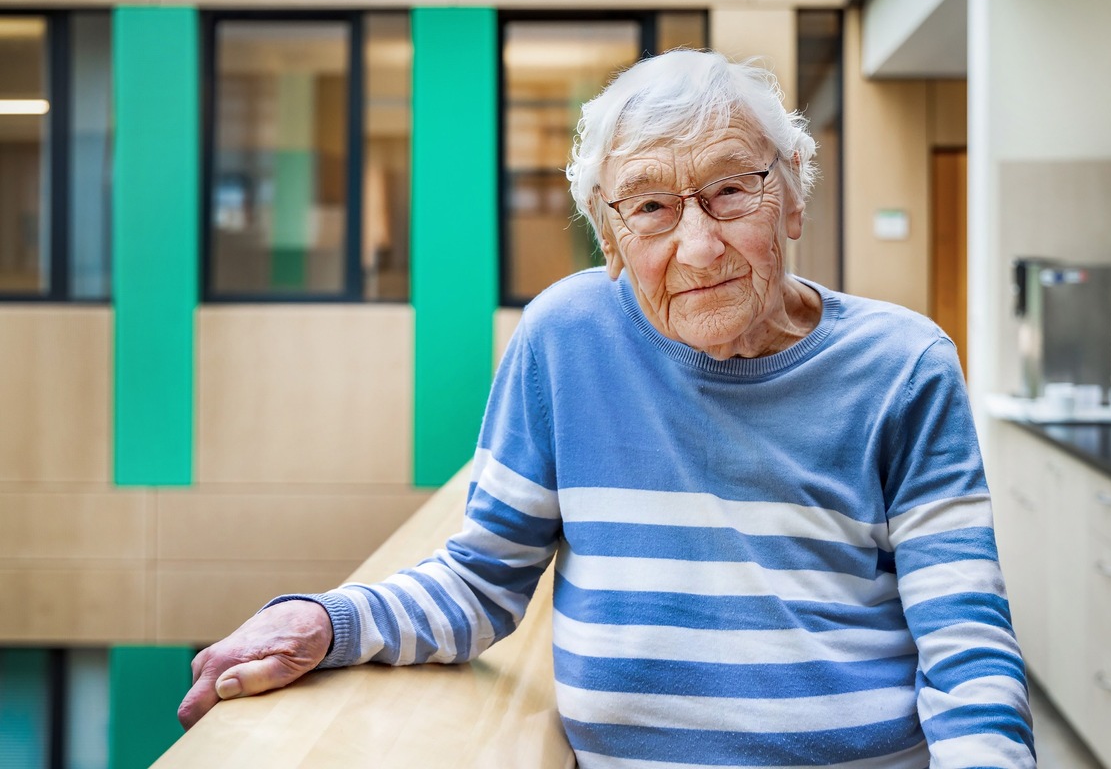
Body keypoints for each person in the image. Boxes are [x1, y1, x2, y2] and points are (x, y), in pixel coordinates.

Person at [179, 49, 1035, 768]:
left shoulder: (903, 363)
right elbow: (483, 582)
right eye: (652, 208)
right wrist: (327, 623)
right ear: (610, 237)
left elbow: (966, 640)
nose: (698, 245)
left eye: (732, 191)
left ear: (795, 197)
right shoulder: (565, 338)